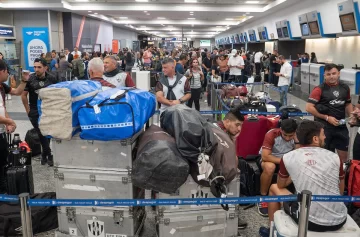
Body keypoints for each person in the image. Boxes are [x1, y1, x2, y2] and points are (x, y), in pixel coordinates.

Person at [259, 120, 347, 237]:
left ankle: (271, 229)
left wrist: (294, 173)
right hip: (340, 219)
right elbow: (340, 191)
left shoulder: (289, 157)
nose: (325, 137)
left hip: (309, 221)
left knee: (274, 188)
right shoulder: (335, 157)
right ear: (315, 139)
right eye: (323, 134)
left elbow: (280, 185)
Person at [306, 63, 353, 163]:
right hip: (324, 129)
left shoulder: (345, 88)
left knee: (343, 159)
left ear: (338, 73)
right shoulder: (319, 89)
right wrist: (326, 117)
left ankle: (341, 177)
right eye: (328, 74)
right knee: (324, 159)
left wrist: (352, 116)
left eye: (334, 73)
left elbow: (348, 104)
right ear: (324, 76)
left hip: (341, 128)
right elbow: (309, 107)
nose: (331, 76)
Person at [257, 119, 298, 217]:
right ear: (280, 130)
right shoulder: (271, 134)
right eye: (285, 135)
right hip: (270, 158)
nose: (288, 138)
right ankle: (263, 197)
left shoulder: (297, 137)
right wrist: (285, 161)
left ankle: (284, 194)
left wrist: (296, 140)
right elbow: (265, 156)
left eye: (291, 135)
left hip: (285, 160)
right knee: (270, 167)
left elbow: (299, 154)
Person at [21, 58, 58, 166]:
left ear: (45, 67)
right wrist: (28, 110)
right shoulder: (30, 78)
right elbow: (23, 95)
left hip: (48, 109)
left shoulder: (52, 78)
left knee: (47, 132)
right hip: (34, 110)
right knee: (40, 132)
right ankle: (49, 154)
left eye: (39, 67)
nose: (36, 69)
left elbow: (59, 93)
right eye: (35, 67)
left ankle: (44, 154)